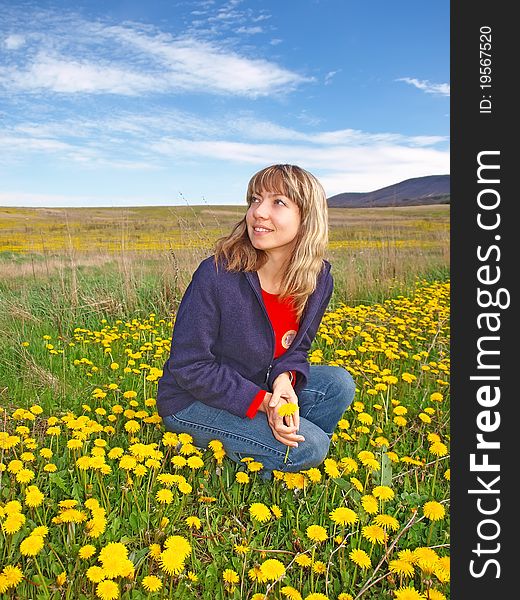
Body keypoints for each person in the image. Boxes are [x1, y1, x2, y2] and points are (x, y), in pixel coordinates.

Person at [157, 164, 355, 479]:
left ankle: (279, 445)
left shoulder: (318, 279)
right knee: (312, 447)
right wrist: (264, 403)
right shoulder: (218, 274)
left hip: (258, 384)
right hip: (192, 401)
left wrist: (283, 381)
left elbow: (297, 350)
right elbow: (189, 366)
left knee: (338, 384)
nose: (258, 213)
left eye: (278, 202)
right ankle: (268, 463)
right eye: (255, 199)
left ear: (307, 217)